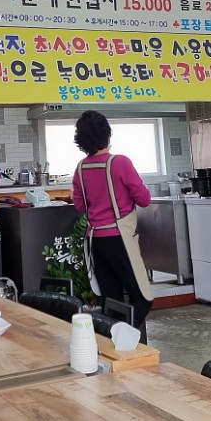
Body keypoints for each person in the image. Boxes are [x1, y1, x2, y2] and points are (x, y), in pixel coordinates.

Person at [71, 110, 154, 329]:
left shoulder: (81, 168)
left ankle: (111, 339)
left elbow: (79, 205)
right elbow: (144, 200)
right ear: (107, 134)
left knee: (111, 300)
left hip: (95, 241)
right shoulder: (120, 162)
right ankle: (121, 340)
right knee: (142, 298)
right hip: (120, 239)